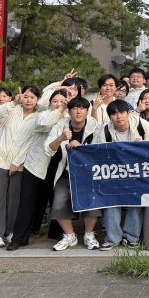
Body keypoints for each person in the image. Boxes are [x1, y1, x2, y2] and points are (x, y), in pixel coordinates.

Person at [6, 89, 70, 251]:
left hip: (58, 165)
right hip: (36, 165)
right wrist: (59, 110)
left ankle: (57, 234)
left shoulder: (69, 119)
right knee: (27, 202)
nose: (59, 103)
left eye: (62, 101)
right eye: (55, 101)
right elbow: (43, 125)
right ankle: (20, 238)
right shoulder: (42, 116)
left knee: (57, 200)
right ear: (49, 103)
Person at [0, 86, 42, 248]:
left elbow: (31, 142)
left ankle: (9, 231)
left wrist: (17, 162)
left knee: (14, 200)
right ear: (20, 97)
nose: (28, 100)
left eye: (32, 97)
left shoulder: (38, 117)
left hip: (19, 164)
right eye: (26, 96)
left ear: (37, 100)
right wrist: (13, 103)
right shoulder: (11, 110)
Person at [45, 94, 102, 251]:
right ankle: (70, 235)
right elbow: (48, 149)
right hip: (66, 172)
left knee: (92, 202)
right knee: (58, 202)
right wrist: (61, 138)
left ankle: (89, 234)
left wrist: (82, 146)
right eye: (75, 108)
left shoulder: (95, 126)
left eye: (83, 108)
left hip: (88, 173)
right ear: (69, 111)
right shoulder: (59, 126)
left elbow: (100, 149)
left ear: (87, 111)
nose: (79, 111)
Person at [98, 99, 149, 250]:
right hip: (114, 173)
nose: (118, 117)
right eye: (114, 114)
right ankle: (112, 238)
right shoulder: (104, 130)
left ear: (128, 114)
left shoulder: (142, 125)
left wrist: (141, 146)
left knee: (137, 199)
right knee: (111, 200)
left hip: (139, 172)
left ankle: (131, 237)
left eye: (121, 112)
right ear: (110, 117)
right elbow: (99, 154)